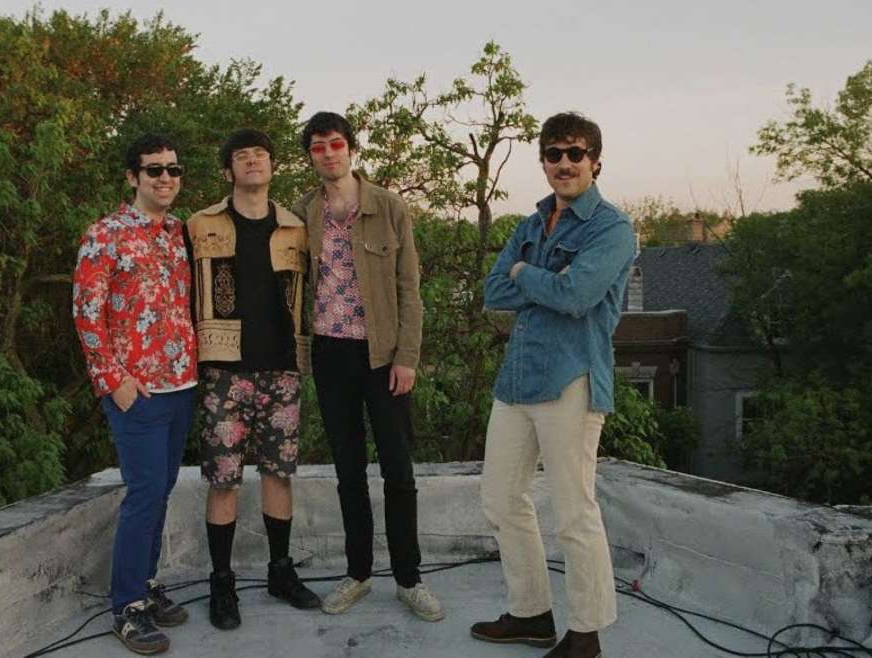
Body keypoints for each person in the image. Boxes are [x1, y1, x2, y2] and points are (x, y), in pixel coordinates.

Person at [470, 112, 635, 658]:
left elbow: (577, 297)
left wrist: (523, 273)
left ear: (595, 162)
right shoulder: (531, 223)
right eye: (553, 153)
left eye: (575, 153)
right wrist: (539, 281)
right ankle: (530, 614)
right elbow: (493, 291)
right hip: (518, 378)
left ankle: (585, 635)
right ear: (543, 161)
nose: (564, 163)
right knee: (501, 499)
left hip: (572, 379)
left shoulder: (611, 228)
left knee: (573, 512)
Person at [291, 111, 443, 622]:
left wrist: (407, 358)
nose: (328, 153)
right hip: (330, 355)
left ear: (351, 148)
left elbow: (409, 289)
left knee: (398, 470)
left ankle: (409, 579)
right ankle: (357, 574)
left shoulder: (388, 206)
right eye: (318, 147)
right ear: (310, 156)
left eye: (336, 143)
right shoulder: (302, 213)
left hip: (383, 356)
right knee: (348, 471)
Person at [185, 128, 321, 631]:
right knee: (224, 479)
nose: (252, 161)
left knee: (278, 474)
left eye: (260, 154)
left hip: (282, 368)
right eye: (241, 156)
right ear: (228, 171)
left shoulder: (296, 228)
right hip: (224, 369)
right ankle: (222, 584)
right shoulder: (200, 224)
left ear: (272, 166)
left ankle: (280, 572)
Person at [72, 133, 197, 655]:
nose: (165, 178)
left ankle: (146, 585)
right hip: (136, 391)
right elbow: (86, 312)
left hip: (182, 383)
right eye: (154, 170)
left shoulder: (179, 233)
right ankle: (126, 607)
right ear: (133, 177)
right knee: (144, 493)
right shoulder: (105, 234)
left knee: (161, 490)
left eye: (173, 169)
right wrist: (113, 379)